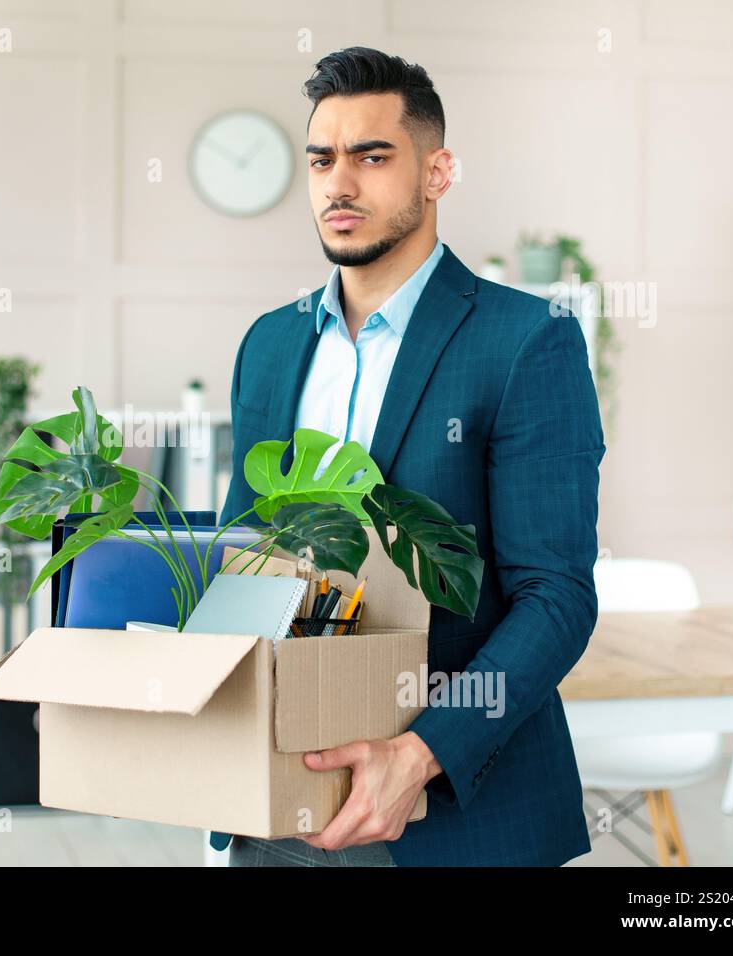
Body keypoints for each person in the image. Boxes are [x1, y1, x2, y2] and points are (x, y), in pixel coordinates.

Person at [218, 47, 604, 867]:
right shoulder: (270, 343)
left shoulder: (526, 341)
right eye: (322, 159)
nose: (339, 184)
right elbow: (241, 562)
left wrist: (418, 755)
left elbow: (557, 598)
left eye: (372, 156)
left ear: (437, 172)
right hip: (276, 808)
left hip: (458, 816)